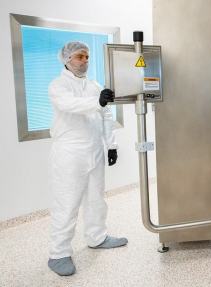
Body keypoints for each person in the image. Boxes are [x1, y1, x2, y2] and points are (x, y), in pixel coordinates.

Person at [47, 41, 128, 276]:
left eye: (87, 56)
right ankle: (58, 253)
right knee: (67, 203)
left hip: (94, 149)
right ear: (66, 59)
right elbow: (69, 105)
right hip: (69, 152)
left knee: (96, 198)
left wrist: (111, 145)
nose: (85, 61)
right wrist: (97, 101)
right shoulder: (58, 85)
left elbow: (105, 114)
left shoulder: (93, 85)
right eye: (80, 57)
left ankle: (97, 236)